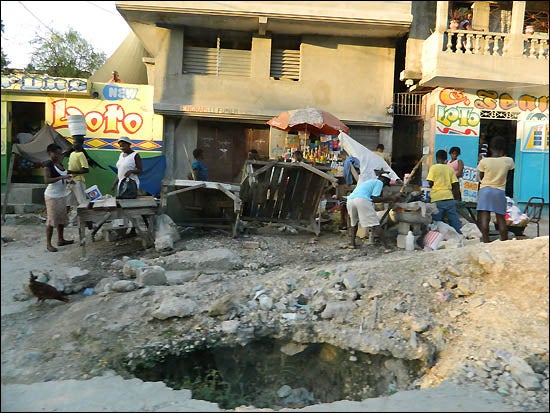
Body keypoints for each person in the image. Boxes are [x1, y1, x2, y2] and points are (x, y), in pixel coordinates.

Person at [346, 172, 400, 252]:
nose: (384, 187)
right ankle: (386, 247)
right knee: (375, 223)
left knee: (353, 223)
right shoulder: (379, 183)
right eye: (385, 184)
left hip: (350, 200)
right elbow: (375, 199)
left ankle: (352, 244)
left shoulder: (369, 182)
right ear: (384, 180)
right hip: (362, 200)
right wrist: (391, 198)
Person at [476, 136, 515, 243]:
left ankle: (485, 241)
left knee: (485, 216)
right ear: (503, 149)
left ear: (491, 149)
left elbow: (481, 177)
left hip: (485, 190)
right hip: (499, 191)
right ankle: (504, 241)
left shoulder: (484, 161)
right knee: (500, 218)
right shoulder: (508, 161)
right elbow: (510, 176)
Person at [43, 143, 74, 252]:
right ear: (49, 153)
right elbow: (47, 180)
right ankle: (48, 244)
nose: (58, 155)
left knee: (61, 218)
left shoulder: (60, 164)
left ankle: (61, 239)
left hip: (62, 194)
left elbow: (63, 177)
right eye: (56, 153)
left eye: (60, 153)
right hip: (52, 196)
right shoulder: (48, 165)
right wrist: (63, 177)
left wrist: (69, 180)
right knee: (51, 220)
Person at [426, 149, 463, 234]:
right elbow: (455, 185)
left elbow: (430, 182)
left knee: (436, 222)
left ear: (437, 158)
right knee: (454, 221)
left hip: (437, 198)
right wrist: (458, 198)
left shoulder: (434, 168)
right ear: (446, 159)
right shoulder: (450, 169)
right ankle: (460, 235)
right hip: (449, 198)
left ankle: (435, 237)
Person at [66, 137, 90, 226]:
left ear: (80, 144)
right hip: (71, 180)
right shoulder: (72, 154)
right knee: (70, 202)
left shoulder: (81, 155)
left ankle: (87, 221)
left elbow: (86, 170)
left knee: (81, 202)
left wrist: (72, 172)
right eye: (73, 142)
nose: (74, 144)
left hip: (78, 181)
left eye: (76, 143)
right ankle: (72, 221)